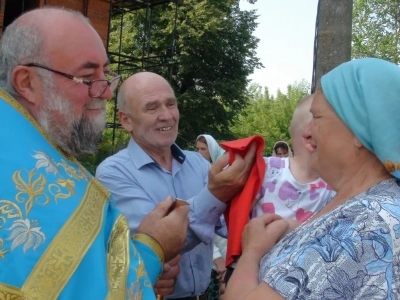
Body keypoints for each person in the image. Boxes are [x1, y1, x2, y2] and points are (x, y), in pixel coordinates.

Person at [0, 7, 191, 299]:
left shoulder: (40, 147)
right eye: (88, 78)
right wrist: (153, 248)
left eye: (107, 74)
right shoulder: (29, 180)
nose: (105, 92)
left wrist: (142, 257)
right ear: (27, 83)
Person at [224, 58, 400, 299]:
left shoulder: (364, 224)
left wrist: (252, 252)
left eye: (316, 118)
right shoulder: (374, 205)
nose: (306, 133)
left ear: (359, 131)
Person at [96, 72, 255, 299]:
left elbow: (227, 225)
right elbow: (157, 243)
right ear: (126, 120)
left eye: (171, 104)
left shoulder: (198, 163)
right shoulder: (113, 173)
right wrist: (216, 194)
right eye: (152, 108)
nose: (167, 115)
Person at [224, 95, 334, 284]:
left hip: (304, 284)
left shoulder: (336, 185)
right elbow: (233, 216)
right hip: (254, 279)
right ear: (310, 138)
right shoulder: (266, 170)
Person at [195, 134, 227, 299]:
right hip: (210, 254)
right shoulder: (197, 177)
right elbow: (202, 220)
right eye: (197, 149)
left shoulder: (225, 174)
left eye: (203, 149)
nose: (200, 153)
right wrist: (217, 257)